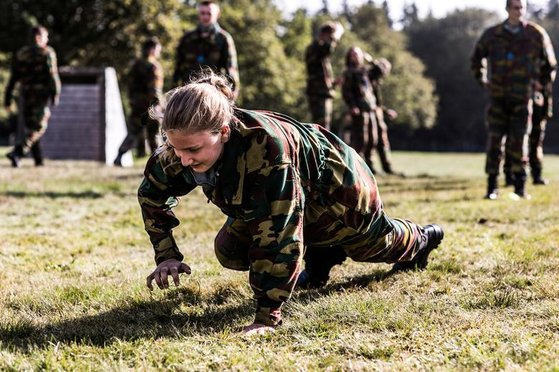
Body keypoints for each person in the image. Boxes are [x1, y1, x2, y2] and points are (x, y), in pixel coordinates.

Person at [139, 72, 444, 335]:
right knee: (229, 251)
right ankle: (324, 252)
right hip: (290, 193)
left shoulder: (267, 152)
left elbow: (280, 234)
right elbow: (151, 195)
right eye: (176, 148)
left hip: (335, 186)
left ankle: (422, 237)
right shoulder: (179, 145)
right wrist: (166, 256)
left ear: (224, 132)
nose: (184, 159)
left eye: (193, 149)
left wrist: (266, 317)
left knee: (375, 246)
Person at [471, 0, 557, 199]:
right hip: (498, 98)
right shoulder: (492, 35)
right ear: (507, 9)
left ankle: (520, 186)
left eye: (522, 8)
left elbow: (550, 65)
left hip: (522, 98)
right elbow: (476, 59)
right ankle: (492, 187)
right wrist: (483, 81)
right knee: (495, 141)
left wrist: (540, 84)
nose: (518, 11)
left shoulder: (536, 34)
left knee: (520, 141)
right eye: (515, 7)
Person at [4, 25, 61, 168]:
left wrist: (8, 97)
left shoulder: (21, 54)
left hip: (24, 95)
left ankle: (38, 160)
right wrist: (55, 94)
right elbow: (53, 76)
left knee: (30, 126)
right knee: (39, 127)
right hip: (40, 96)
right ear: (39, 37)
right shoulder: (47, 53)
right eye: (45, 37)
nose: (47, 40)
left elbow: (13, 77)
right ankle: (18, 152)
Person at [173, 0, 239, 99]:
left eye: (209, 13)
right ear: (198, 14)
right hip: (188, 95)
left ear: (217, 15)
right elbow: (178, 68)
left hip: (214, 95)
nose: (205, 17)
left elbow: (231, 70)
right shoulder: (187, 38)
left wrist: (231, 96)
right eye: (202, 13)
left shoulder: (223, 39)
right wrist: (174, 94)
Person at [114, 37, 164, 166]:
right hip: (150, 106)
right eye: (158, 49)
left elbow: (129, 86)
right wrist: (158, 105)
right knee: (154, 134)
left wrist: (132, 101)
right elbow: (155, 89)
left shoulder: (135, 65)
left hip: (137, 104)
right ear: (152, 49)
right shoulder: (153, 67)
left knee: (132, 132)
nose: (159, 52)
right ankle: (158, 162)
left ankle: (119, 156)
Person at [503, 80, 554, 186]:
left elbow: (547, 86)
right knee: (515, 139)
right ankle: (510, 175)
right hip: (521, 102)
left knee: (536, 141)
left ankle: (536, 174)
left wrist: (547, 109)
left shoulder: (547, 65)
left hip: (539, 105)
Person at [342, 46, 378, 172]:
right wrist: (352, 106)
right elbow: (346, 92)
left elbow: (380, 71)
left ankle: (370, 165)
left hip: (370, 109)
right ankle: (357, 166)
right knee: (361, 139)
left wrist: (371, 61)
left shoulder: (365, 71)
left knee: (373, 139)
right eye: (352, 54)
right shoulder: (349, 72)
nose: (355, 56)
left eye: (357, 54)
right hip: (359, 110)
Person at [304, 21, 344, 132]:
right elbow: (328, 48)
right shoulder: (315, 48)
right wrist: (338, 33)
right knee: (321, 127)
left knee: (323, 126)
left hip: (323, 93)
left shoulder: (320, 51)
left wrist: (333, 82)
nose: (332, 39)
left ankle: (321, 149)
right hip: (318, 93)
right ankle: (320, 149)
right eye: (330, 36)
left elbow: (320, 75)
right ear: (323, 34)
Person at [368, 57, 401, 176]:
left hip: (377, 113)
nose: (385, 73)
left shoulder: (376, 81)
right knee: (371, 141)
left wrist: (386, 111)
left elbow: (377, 103)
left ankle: (387, 167)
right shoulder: (369, 76)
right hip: (369, 114)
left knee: (382, 141)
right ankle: (369, 167)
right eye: (385, 69)